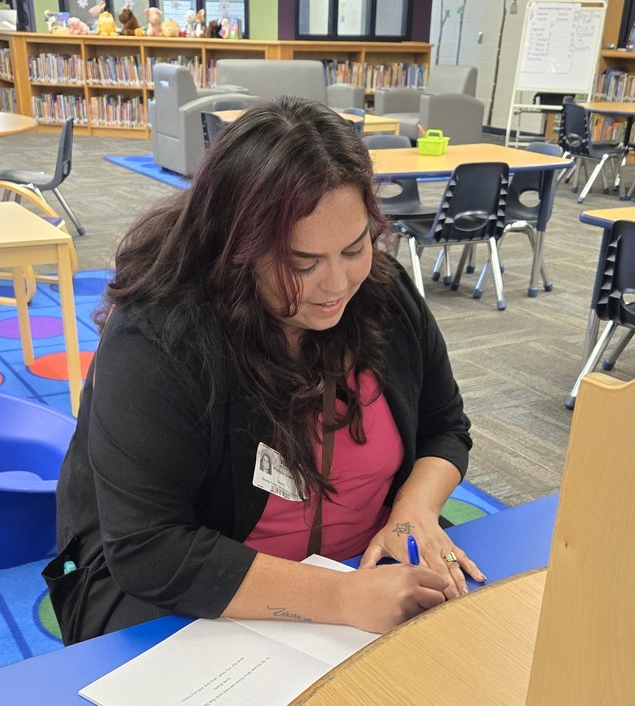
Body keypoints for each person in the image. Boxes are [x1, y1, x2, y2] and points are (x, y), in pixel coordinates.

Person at [45, 96, 484, 646]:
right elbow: (149, 550)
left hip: (369, 567)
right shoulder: (160, 334)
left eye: (354, 249)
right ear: (238, 248)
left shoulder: (383, 293)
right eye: (301, 263)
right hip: (194, 589)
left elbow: (445, 427)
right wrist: (340, 597)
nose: (336, 285)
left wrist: (413, 506)